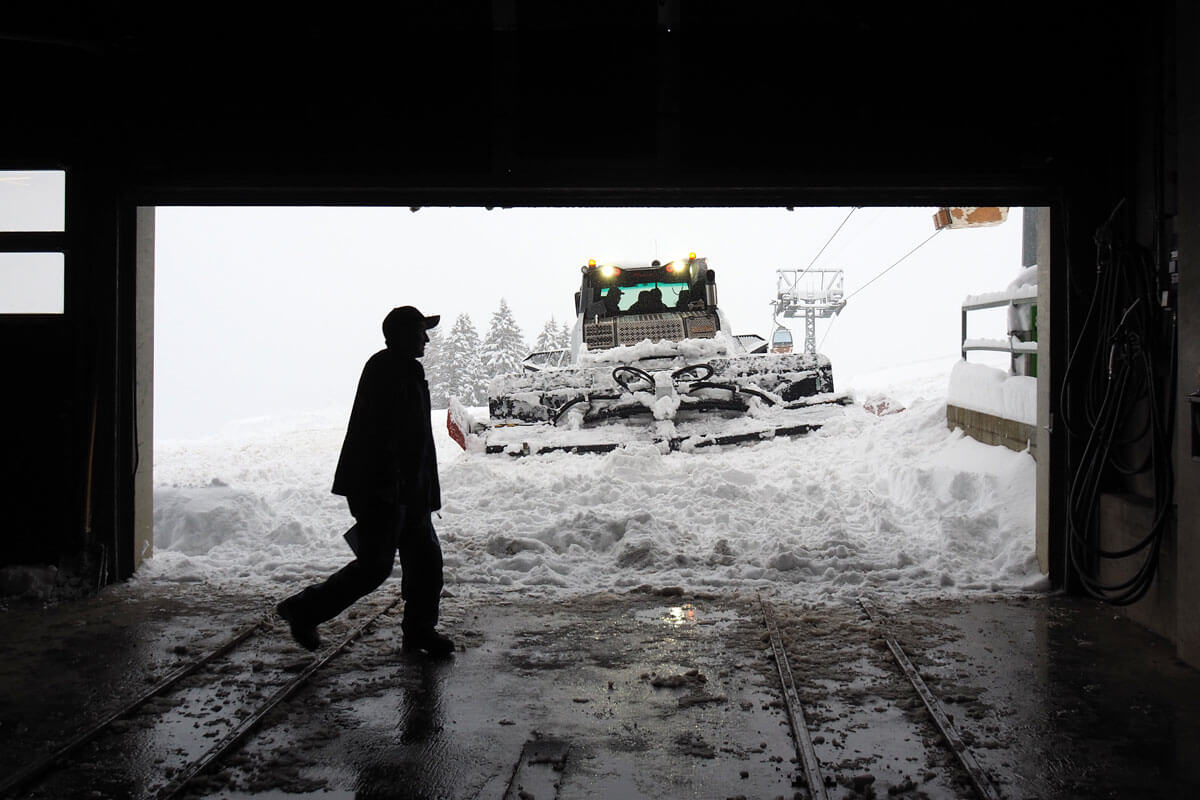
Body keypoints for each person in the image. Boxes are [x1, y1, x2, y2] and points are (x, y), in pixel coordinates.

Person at [276, 305, 453, 657]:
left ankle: (419, 631)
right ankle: (303, 609)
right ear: (403, 335)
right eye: (421, 331)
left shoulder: (402, 370)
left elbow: (414, 442)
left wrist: (423, 491)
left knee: (426, 563)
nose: (427, 339)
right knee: (375, 567)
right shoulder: (387, 371)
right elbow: (381, 439)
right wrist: (390, 493)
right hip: (384, 490)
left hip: (408, 492)